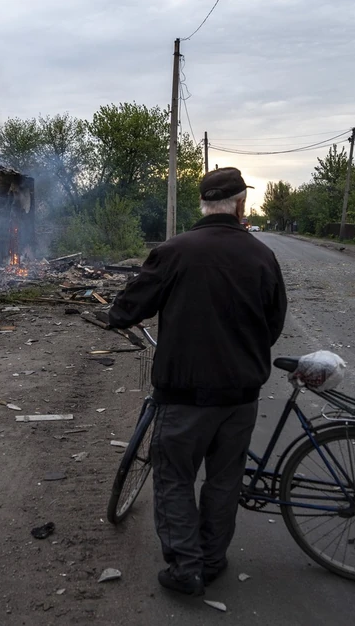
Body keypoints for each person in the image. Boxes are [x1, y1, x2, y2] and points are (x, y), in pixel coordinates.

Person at [106, 167, 288, 596]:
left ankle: (186, 567)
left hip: (184, 394)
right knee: (224, 481)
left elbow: (129, 307)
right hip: (241, 396)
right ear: (241, 204)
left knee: (173, 477)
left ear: (202, 204)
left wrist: (116, 315)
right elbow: (274, 322)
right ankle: (212, 559)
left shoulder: (174, 251)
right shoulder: (262, 256)